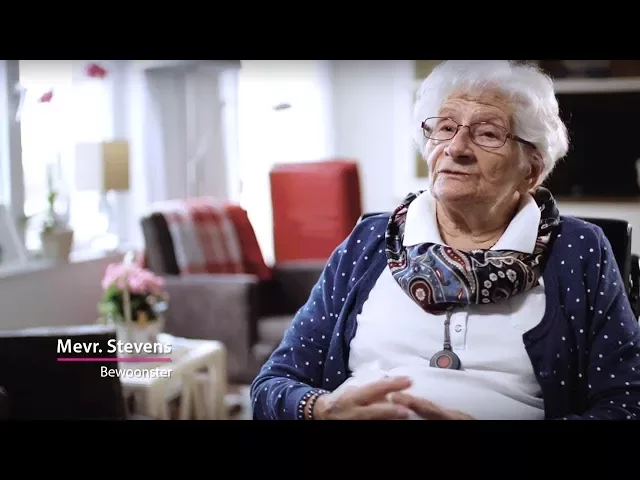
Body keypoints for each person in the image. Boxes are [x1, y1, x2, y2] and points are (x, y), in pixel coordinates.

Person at [250, 60, 640, 420]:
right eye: (445, 127)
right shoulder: (369, 241)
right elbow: (272, 384)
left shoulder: (578, 250)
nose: (456, 148)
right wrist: (321, 409)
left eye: (488, 133)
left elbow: (627, 402)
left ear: (531, 170)